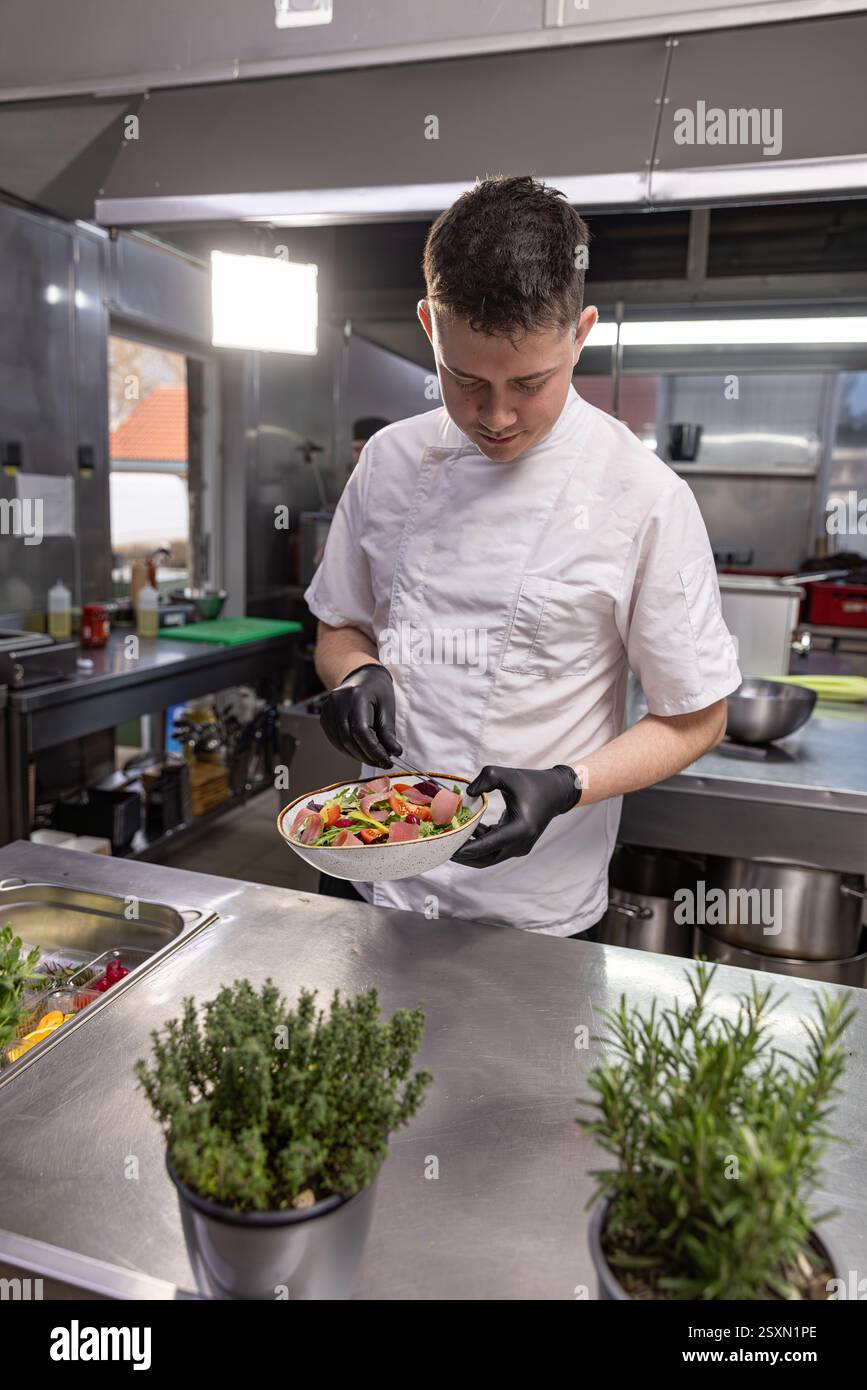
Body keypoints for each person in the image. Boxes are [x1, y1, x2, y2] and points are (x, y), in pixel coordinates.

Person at [305, 175, 740, 938]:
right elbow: (339, 626)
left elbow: (696, 718)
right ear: (427, 328)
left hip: (536, 913)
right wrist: (355, 671)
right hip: (377, 877)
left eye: (530, 383)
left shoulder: (642, 496)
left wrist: (568, 785)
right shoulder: (387, 460)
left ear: (581, 335)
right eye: (463, 379)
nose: (496, 415)